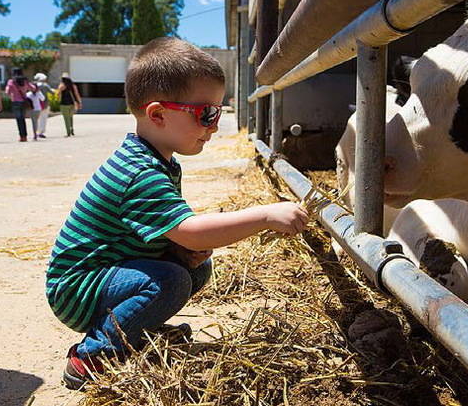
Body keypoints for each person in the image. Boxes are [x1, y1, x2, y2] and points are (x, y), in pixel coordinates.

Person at [46, 37, 309, 390]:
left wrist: (182, 250)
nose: (214, 126)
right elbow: (192, 231)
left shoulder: (157, 160)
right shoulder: (139, 173)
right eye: (206, 114)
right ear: (157, 114)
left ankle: (137, 332)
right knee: (170, 281)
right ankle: (92, 355)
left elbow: (175, 235)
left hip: (105, 274)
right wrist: (264, 216)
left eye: (217, 112)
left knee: (194, 266)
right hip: (78, 288)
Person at [5, 68, 36, 142]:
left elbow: (7, 92)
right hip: (23, 102)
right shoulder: (25, 81)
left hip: (15, 102)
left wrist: (12, 93)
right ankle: (24, 136)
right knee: (22, 119)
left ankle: (22, 136)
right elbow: (33, 88)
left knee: (19, 120)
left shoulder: (11, 81)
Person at [56, 72, 82, 137]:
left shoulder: (62, 85)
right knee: (70, 117)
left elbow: (58, 94)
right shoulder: (73, 86)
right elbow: (76, 94)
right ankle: (71, 130)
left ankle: (68, 132)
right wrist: (79, 102)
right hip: (72, 103)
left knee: (66, 118)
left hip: (64, 104)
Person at [34, 73, 55, 138]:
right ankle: (41, 132)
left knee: (36, 118)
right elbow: (52, 92)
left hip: (36, 104)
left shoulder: (34, 85)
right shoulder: (45, 85)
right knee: (43, 118)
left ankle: (36, 131)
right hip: (45, 103)